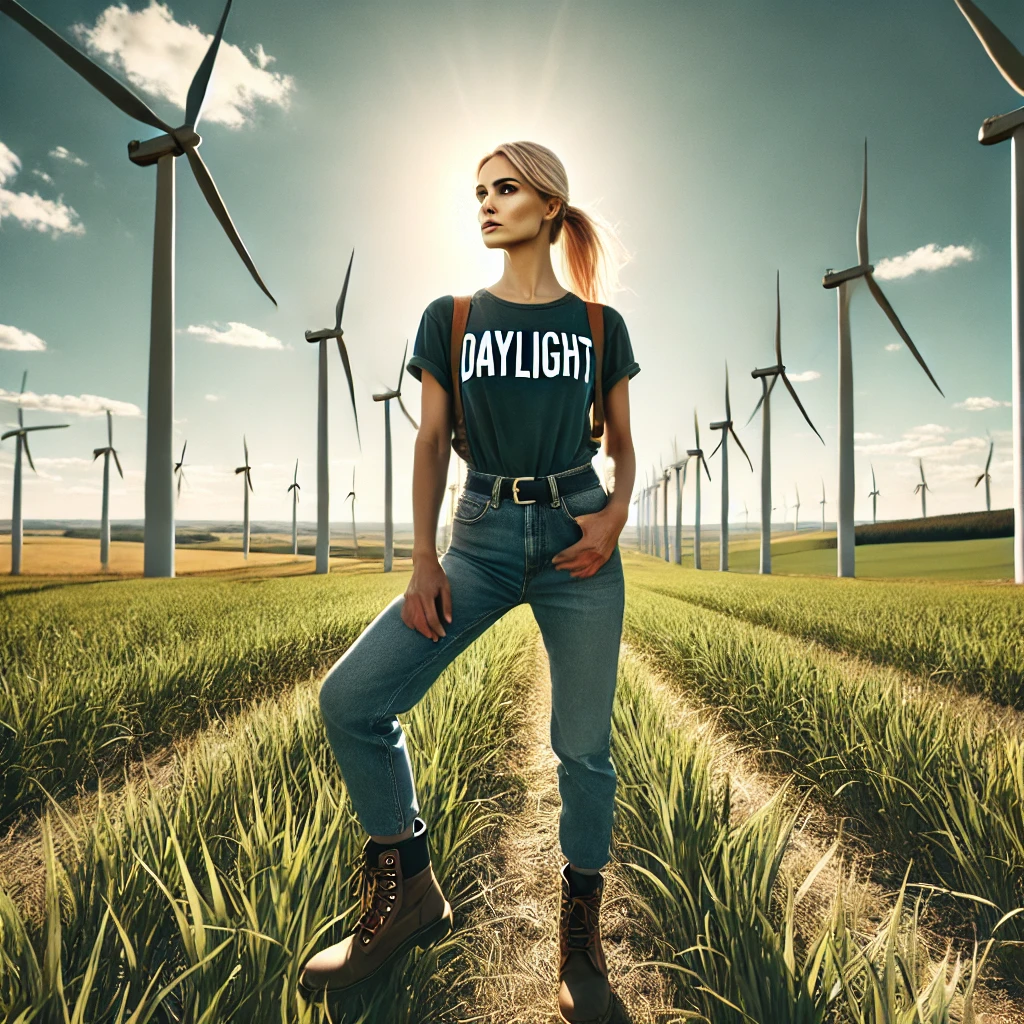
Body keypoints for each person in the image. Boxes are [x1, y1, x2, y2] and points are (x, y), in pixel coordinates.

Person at [299, 140, 639, 1024]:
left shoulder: (601, 327)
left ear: (550, 207)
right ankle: (407, 887)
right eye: (479, 191)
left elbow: (626, 446)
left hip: (577, 537)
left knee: (583, 750)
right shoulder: (449, 318)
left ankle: (580, 941)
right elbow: (425, 441)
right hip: (479, 538)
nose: (486, 203)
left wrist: (612, 518)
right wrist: (421, 558)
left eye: (506, 189)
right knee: (352, 699)